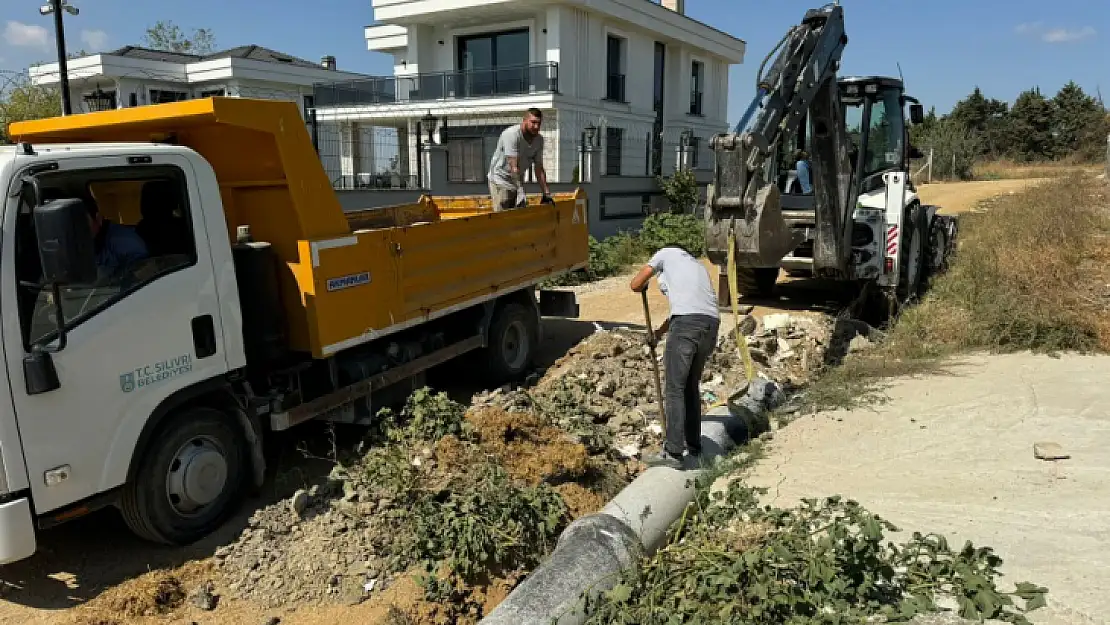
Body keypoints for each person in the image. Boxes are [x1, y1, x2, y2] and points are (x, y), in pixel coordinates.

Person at [629, 242, 720, 469]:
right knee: (690, 386)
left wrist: (644, 284)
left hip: (687, 325)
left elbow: (635, 283)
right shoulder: (697, 267)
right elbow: (685, 312)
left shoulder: (665, 254)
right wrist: (658, 334)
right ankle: (694, 446)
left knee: (675, 389)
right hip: (710, 325)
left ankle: (673, 452)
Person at [487, 108, 554, 211]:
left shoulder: (539, 140)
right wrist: (520, 190)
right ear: (524, 120)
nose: (536, 127)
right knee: (503, 217)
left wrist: (546, 193)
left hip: (517, 181)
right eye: (533, 122)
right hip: (500, 180)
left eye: (539, 123)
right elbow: (513, 166)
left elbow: (539, 168)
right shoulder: (511, 135)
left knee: (517, 219)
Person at [86, 197, 149, 282]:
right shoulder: (70, 244)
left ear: (98, 219)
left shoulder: (125, 242)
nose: (78, 230)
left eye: (84, 222)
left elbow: (142, 275)